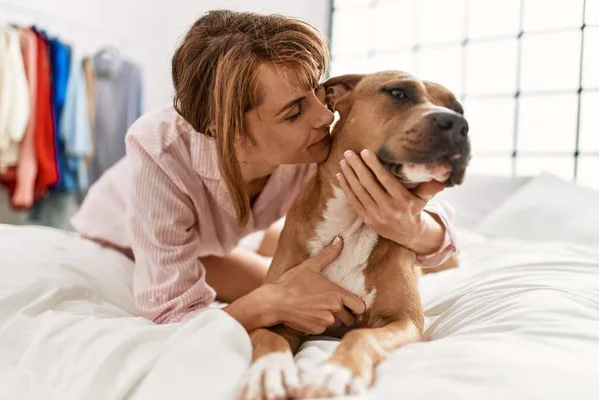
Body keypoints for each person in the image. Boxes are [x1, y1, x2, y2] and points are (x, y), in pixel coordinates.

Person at [70, 10, 458, 334]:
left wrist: (416, 230)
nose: (326, 116)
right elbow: (171, 313)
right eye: (293, 112)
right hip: (126, 238)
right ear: (226, 131)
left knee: (297, 255)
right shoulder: (158, 148)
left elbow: (428, 218)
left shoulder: (317, 142)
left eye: (318, 95)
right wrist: (269, 302)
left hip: (233, 233)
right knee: (304, 288)